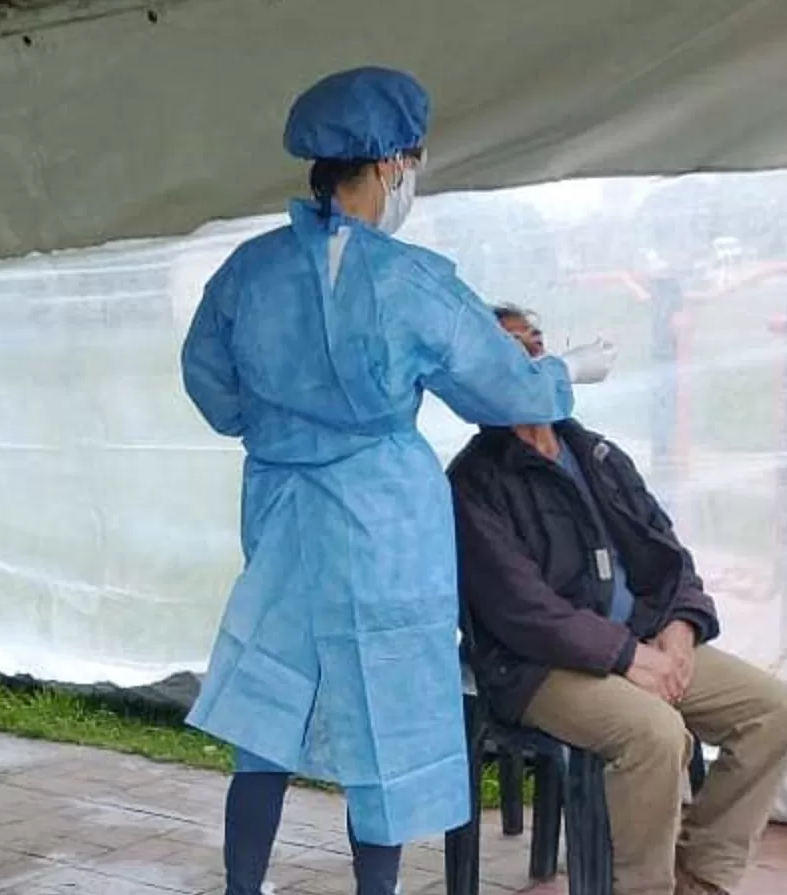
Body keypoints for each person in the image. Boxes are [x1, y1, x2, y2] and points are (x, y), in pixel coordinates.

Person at [179, 69, 617, 895]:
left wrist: (275, 429)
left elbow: (206, 379)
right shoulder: (411, 281)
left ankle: (242, 886)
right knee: (383, 718)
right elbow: (501, 386)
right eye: (412, 159)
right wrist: (567, 372)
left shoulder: (249, 271)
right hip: (382, 524)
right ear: (387, 164)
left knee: (268, 707)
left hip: (283, 515)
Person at [448, 306, 787, 895]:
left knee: (774, 710)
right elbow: (523, 612)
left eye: (538, 345)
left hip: (640, 640)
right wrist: (630, 658)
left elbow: (667, 555)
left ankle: (702, 876)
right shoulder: (474, 482)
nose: (535, 359)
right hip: (537, 667)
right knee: (655, 734)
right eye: (514, 350)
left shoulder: (598, 455)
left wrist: (680, 631)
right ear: (482, 372)